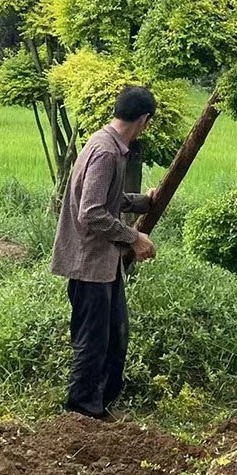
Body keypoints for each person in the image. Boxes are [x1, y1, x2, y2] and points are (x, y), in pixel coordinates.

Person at [51, 85, 159, 421]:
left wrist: (143, 201)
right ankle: (81, 411)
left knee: (114, 337)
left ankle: (99, 406)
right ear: (144, 119)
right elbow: (92, 212)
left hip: (103, 264)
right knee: (93, 341)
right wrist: (133, 237)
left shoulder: (107, 145)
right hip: (89, 263)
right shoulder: (106, 153)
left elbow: (107, 199)